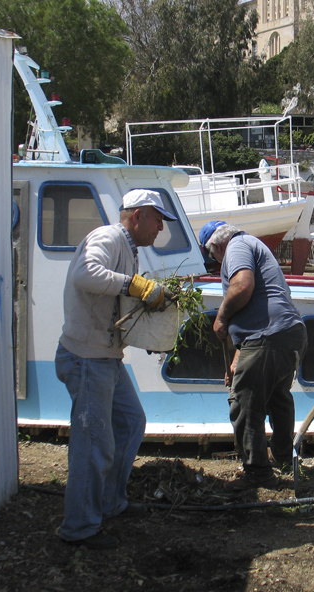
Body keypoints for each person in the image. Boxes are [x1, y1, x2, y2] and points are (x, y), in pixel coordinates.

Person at [55, 189, 177, 549]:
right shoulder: (108, 238)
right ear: (138, 216)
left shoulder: (129, 248)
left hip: (104, 357)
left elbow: (115, 304)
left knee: (130, 423)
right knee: (94, 442)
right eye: (158, 220)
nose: (160, 228)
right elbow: (85, 274)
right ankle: (79, 527)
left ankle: (109, 503)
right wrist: (135, 285)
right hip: (86, 358)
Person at [199, 221, 308, 491]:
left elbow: (242, 286)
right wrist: (239, 357)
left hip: (267, 336)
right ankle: (283, 458)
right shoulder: (254, 245)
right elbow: (259, 303)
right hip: (287, 333)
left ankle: (258, 474)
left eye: (212, 255)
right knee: (277, 398)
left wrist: (221, 318)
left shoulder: (236, 247)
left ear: (216, 246)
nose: (215, 261)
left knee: (243, 404)